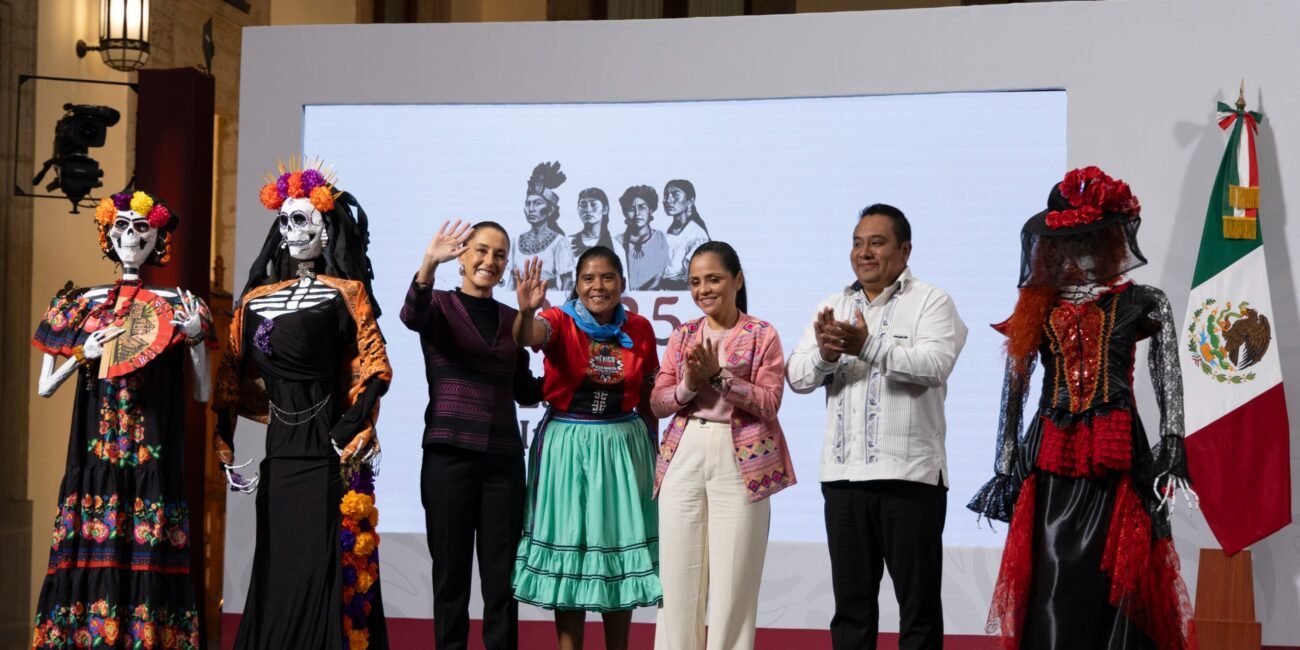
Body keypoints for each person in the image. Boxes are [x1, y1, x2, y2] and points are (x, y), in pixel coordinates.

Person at [967, 167, 1196, 650]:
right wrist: (1005, 461)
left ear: (1113, 237)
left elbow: (1168, 378)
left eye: (1092, 237)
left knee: (1118, 580)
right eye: (1072, 240)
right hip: (1053, 459)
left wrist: (1172, 444)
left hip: (1119, 460)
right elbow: (1016, 387)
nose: (1083, 250)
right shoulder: (1037, 307)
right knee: (1053, 576)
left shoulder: (1144, 302)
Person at [213, 162, 391, 650]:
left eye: (304, 220)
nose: (292, 231)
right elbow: (230, 376)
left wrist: (352, 428)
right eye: (286, 221)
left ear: (325, 227)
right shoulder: (254, 301)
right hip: (280, 456)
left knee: (322, 568)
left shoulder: (346, 294)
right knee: (279, 564)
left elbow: (375, 367)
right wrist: (224, 442)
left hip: (327, 454)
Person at [31, 190, 211, 648]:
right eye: (123, 227)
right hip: (96, 448)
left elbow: (203, 391)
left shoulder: (179, 303)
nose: (131, 236)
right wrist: (80, 354)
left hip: (152, 452)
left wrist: (193, 341)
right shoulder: (79, 302)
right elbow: (45, 386)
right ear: (108, 234)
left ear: (157, 238)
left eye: (141, 228)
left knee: (150, 553)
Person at [786, 203, 967, 650]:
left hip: (909, 477)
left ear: (905, 250)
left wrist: (867, 346)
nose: (864, 253)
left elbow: (934, 365)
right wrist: (828, 355)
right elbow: (797, 377)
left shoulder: (932, 301)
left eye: (877, 242)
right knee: (851, 610)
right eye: (857, 242)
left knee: (918, 609)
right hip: (843, 479)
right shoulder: (833, 304)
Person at [400, 219, 542, 650]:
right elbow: (411, 314)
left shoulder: (512, 319)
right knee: (451, 580)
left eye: (500, 254)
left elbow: (524, 389)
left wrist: (577, 367)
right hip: (448, 459)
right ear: (461, 257)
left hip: (502, 463)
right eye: (481, 250)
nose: (490, 260)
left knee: (502, 584)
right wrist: (428, 262)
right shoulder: (439, 305)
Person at [511, 248, 662, 650]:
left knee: (617, 547)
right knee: (573, 552)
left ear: (622, 284)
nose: (599, 286)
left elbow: (649, 394)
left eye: (608, 277)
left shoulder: (641, 328)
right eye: (589, 278)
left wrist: (659, 449)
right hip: (569, 445)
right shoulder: (559, 320)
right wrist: (525, 313)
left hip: (623, 446)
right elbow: (530, 337)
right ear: (576, 285)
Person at [650, 241, 795, 650]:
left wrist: (720, 378)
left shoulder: (762, 334)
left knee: (734, 584)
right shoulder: (682, 337)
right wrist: (688, 386)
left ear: (738, 280)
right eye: (695, 282)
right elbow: (658, 404)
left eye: (713, 279)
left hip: (742, 460)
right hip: (684, 452)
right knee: (677, 581)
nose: (703, 290)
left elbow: (769, 403)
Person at [511, 161, 576, 290]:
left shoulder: (560, 242)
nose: (531, 209)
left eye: (537, 203)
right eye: (528, 204)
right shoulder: (515, 242)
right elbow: (511, 283)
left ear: (550, 210)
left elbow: (567, 284)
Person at [616, 185, 670, 290]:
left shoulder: (660, 238)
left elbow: (658, 278)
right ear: (625, 213)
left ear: (650, 210)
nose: (637, 213)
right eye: (632, 209)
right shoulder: (617, 242)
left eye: (642, 207)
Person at [659, 180, 710, 290]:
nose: (668, 200)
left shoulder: (697, 234)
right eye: (666, 195)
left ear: (690, 201)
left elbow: (696, 280)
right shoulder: (664, 232)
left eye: (675, 195)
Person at [570, 187, 618, 260]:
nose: (588, 210)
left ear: (605, 209)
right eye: (583, 205)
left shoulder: (616, 246)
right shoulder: (567, 243)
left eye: (593, 205)